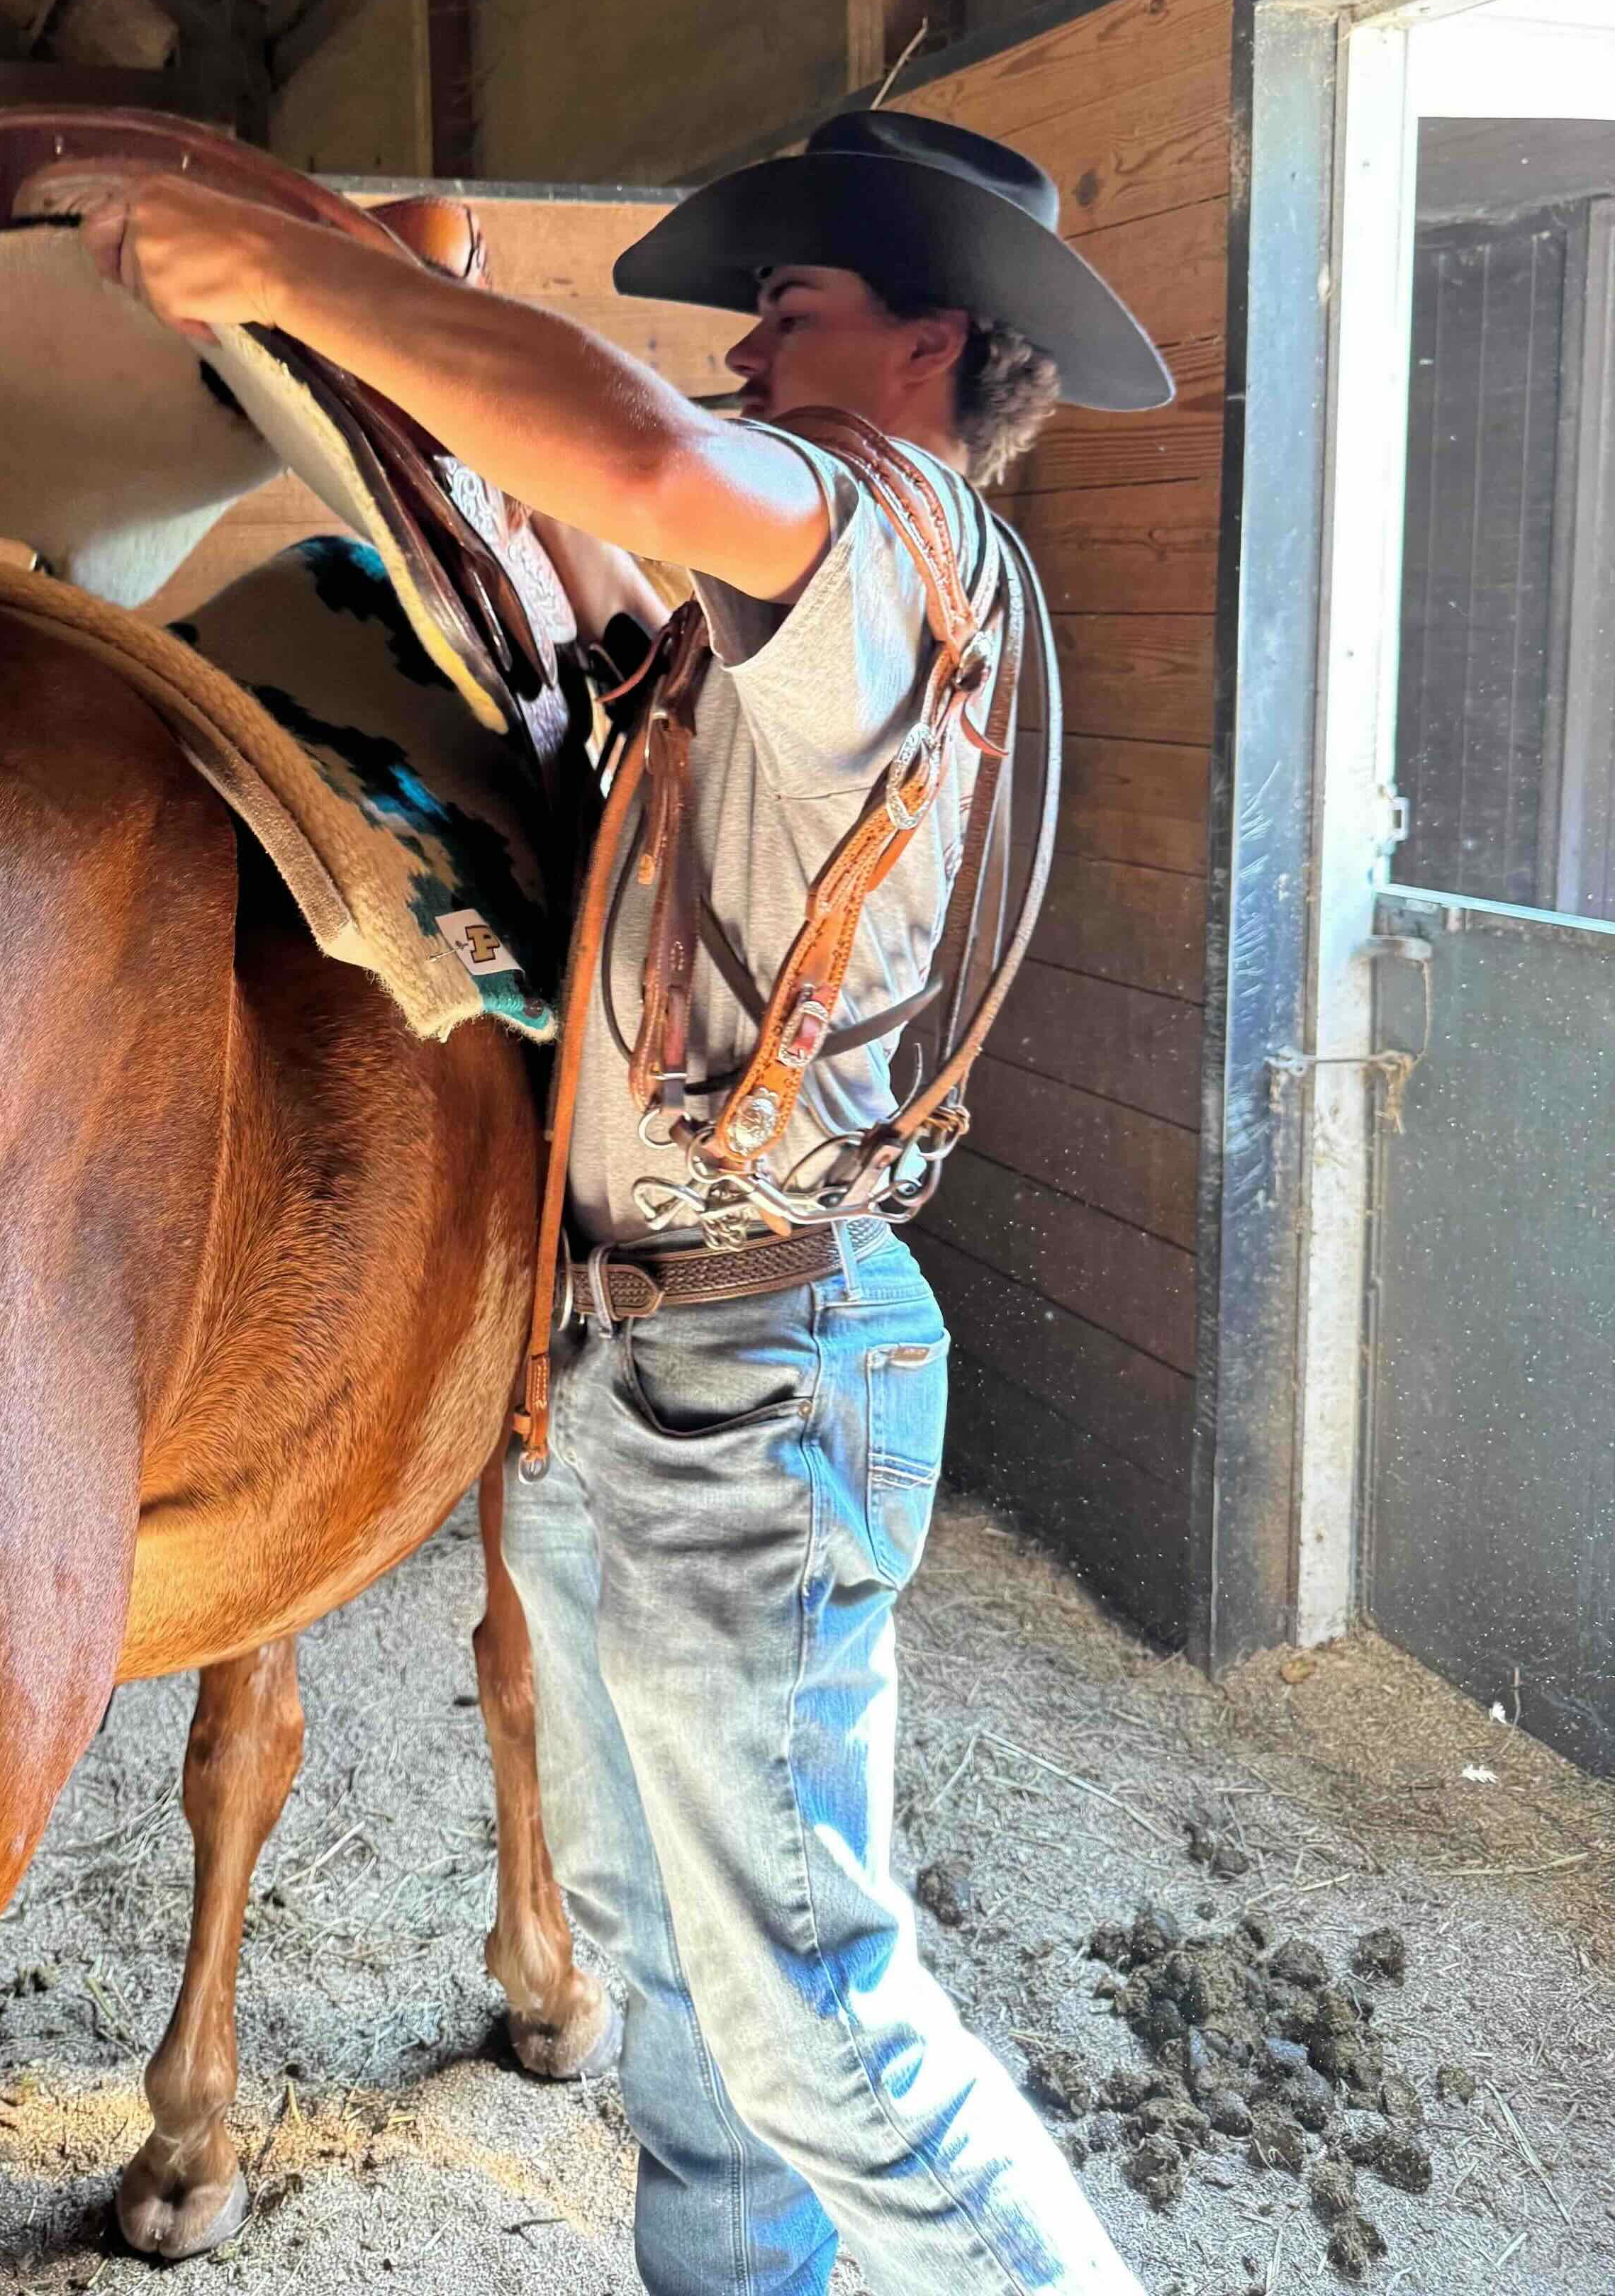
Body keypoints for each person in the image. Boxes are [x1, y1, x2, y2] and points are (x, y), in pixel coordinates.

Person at [103, 110, 1170, 2295]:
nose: (751, 347)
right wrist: (403, 340)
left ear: (933, 341)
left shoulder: (895, 528)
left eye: (794, 310)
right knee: (681, 1973)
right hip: (661, 1361)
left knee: (821, 2035)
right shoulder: (803, 621)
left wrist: (290, 278)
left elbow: (648, 463)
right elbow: (609, 548)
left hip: (746, 1380)